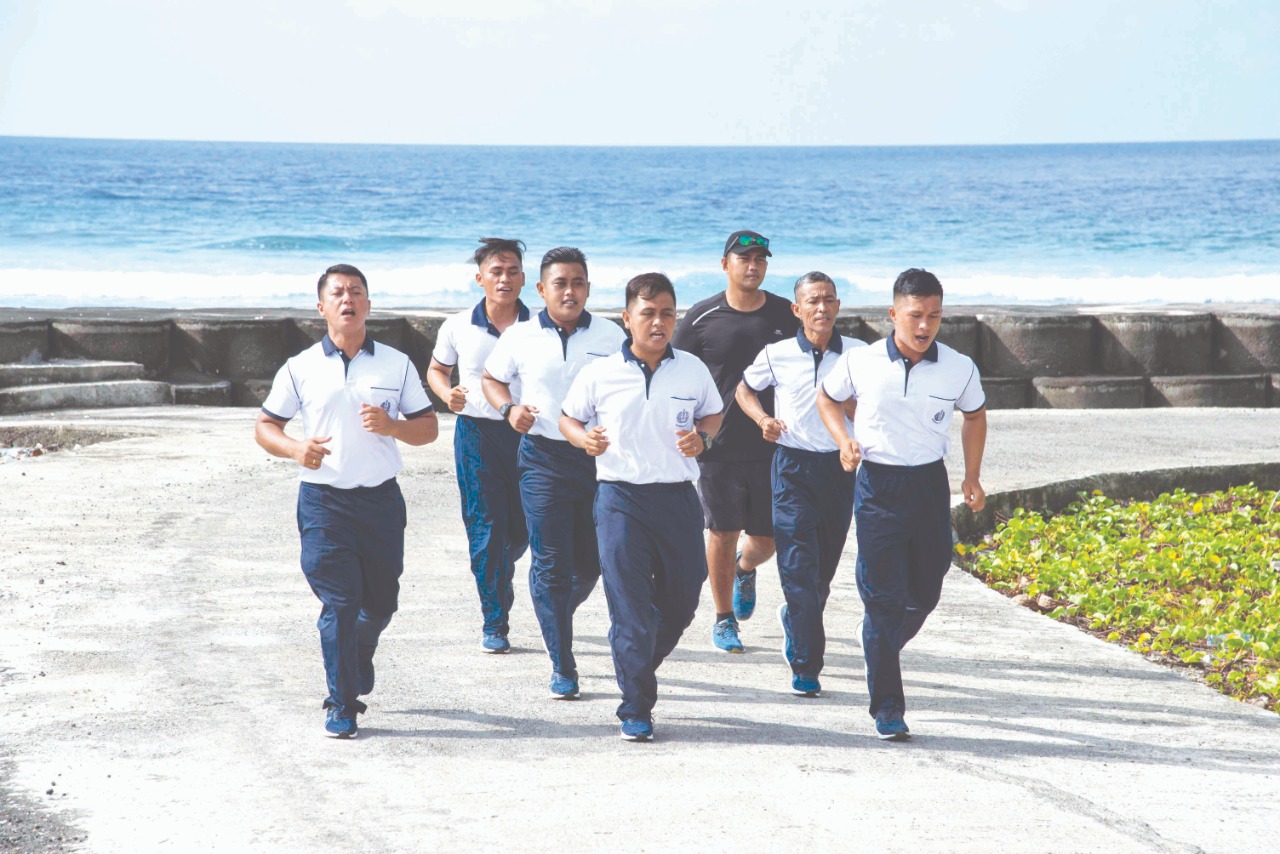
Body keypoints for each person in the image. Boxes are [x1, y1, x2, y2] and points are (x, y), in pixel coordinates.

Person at [255, 264, 438, 739]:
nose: (347, 299)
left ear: (368, 305)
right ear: (322, 308)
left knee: (380, 603)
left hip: (380, 501)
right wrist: (297, 449)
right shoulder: (300, 367)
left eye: (356, 292)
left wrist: (393, 426)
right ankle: (342, 702)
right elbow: (265, 427)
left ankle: (358, 654)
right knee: (338, 603)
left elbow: (428, 429)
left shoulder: (396, 364)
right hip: (323, 503)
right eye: (337, 293)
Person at [816, 268, 987, 741]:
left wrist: (972, 476)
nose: (924, 325)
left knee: (928, 587)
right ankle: (888, 708)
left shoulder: (959, 367)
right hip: (878, 485)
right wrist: (843, 441)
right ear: (893, 314)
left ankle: (876, 639)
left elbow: (974, 415)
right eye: (915, 315)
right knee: (884, 599)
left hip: (930, 484)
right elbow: (827, 400)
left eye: (934, 316)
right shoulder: (862, 363)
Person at [560, 273, 723, 741]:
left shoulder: (691, 369)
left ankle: (635, 662)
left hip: (677, 499)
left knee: (683, 601)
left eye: (667, 313)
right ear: (627, 318)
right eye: (648, 313)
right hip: (619, 499)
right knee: (630, 609)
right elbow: (569, 417)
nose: (659, 322)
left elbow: (712, 413)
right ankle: (636, 705)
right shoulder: (599, 373)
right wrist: (583, 439)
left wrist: (704, 437)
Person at [481, 247, 625, 699]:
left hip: (598, 461)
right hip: (543, 458)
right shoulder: (520, 336)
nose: (570, 291)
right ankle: (563, 665)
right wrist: (509, 409)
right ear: (541, 289)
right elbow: (491, 378)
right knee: (552, 563)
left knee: (589, 565)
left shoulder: (611, 334)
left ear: (587, 287)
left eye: (578, 282)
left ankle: (552, 608)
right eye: (560, 283)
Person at [735, 272, 865, 698]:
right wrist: (762, 420)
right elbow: (744, 390)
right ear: (797, 309)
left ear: (838, 305)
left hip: (839, 470)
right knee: (797, 568)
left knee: (821, 574)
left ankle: (795, 619)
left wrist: (852, 407)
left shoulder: (860, 355)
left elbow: (871, 406)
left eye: (828, 299)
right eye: (812, 301)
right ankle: (806, 665)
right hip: (791, 467)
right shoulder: (776, 354)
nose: (821, 308)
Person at [672, 230, 799, 653]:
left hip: (776, 444)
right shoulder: (701, 317)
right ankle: (724, 618)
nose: (752, 265)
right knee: (721, 532)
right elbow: (674, 370)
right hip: (717, 447)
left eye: (760, 259)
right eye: (743, 258)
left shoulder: (787, 314)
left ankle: (745, 568)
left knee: (768, 540)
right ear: (725, 264)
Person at [426, 238, 531, 654]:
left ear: (524, 278)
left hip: (527, 437)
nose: (504, 279)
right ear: (480, 278)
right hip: (476, 435)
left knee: (522, 533)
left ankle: (500, 573)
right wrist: (445, 393)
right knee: (485, 530)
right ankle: (495, 620)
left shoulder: (539, 328)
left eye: (512, 271)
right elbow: (437, 370)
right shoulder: (457, 326)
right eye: (496, 271)